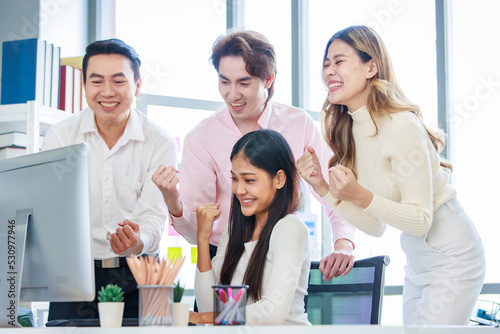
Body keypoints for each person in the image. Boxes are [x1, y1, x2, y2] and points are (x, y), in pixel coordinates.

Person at [297, 25, 485, 325]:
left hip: (452, 254)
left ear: (370, 66)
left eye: (339, 61)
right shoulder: (352, 130)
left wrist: (358, 194)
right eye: (326, 64)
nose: (329, 71)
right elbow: (375, 226)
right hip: (418, 257)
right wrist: (321, 185)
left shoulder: (401, 126)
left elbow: (421, 218)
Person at [153, 30, 355, 278]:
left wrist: (343, 243)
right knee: (218, 316)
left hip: (286, 257)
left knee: (283, 316)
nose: (232, 94)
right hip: (226, 260)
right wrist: (174, 203)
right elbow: (197, 233)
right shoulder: (201, 138)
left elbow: (334, 194)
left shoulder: (298, 124)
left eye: (244, 83)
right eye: (224, 81)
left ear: (268, 79)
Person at [42, 38, 178, 320]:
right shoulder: (61, 136)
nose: (107, 92)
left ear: (137, 86)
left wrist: (138, 241)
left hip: (141, 272)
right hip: (75, 276)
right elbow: (49, 209)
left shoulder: (159, 141)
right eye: (97, 81)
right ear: (84, 85)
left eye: (118, 81)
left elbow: (154, 215)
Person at [189, 129, 311, 325]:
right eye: (235, 179)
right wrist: (202, 240)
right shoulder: (234, 231)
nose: (239, 189)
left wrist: (200, 318)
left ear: (279, 179)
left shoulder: (290, 228)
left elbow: (273, 314)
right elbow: (209, 309)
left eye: (249, 180)